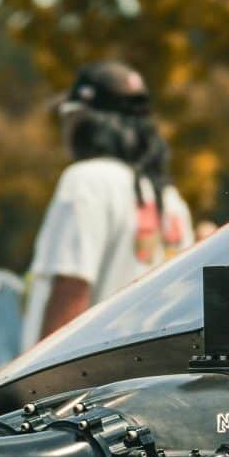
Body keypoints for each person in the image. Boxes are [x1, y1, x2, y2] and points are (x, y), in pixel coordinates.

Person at [23, 60, 194, 345]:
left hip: (88, 382)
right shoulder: (171, 200)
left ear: (84, 119)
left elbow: (72, 287)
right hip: (148, 377)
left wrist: (40, 386)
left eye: (68, 116)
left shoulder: (87, 181)